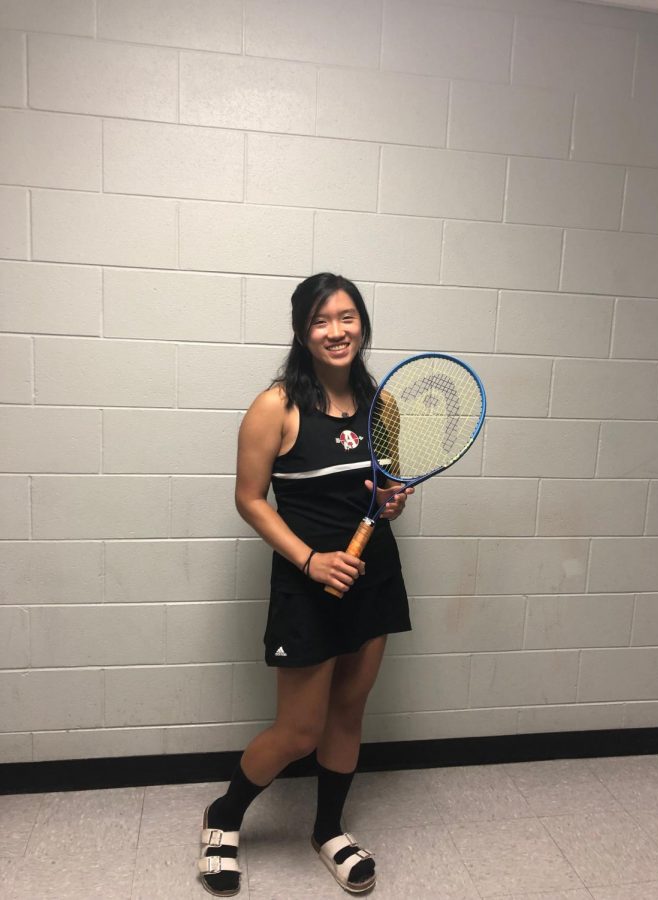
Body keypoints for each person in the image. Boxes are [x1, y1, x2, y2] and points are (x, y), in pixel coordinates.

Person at [198, 273, 413, 896]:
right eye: (321, 320)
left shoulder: (383, 404)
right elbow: (250, 500)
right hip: (309, 584)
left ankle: (327, 830)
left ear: (362, 324)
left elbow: (382, 486)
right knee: (299, 731)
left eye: (347, 317)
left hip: (373, 577)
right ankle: (224, 816)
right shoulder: (276, 405)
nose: (337, 331)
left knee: (349, 711)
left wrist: (388, 500)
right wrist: (310, 559)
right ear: (302, 330)